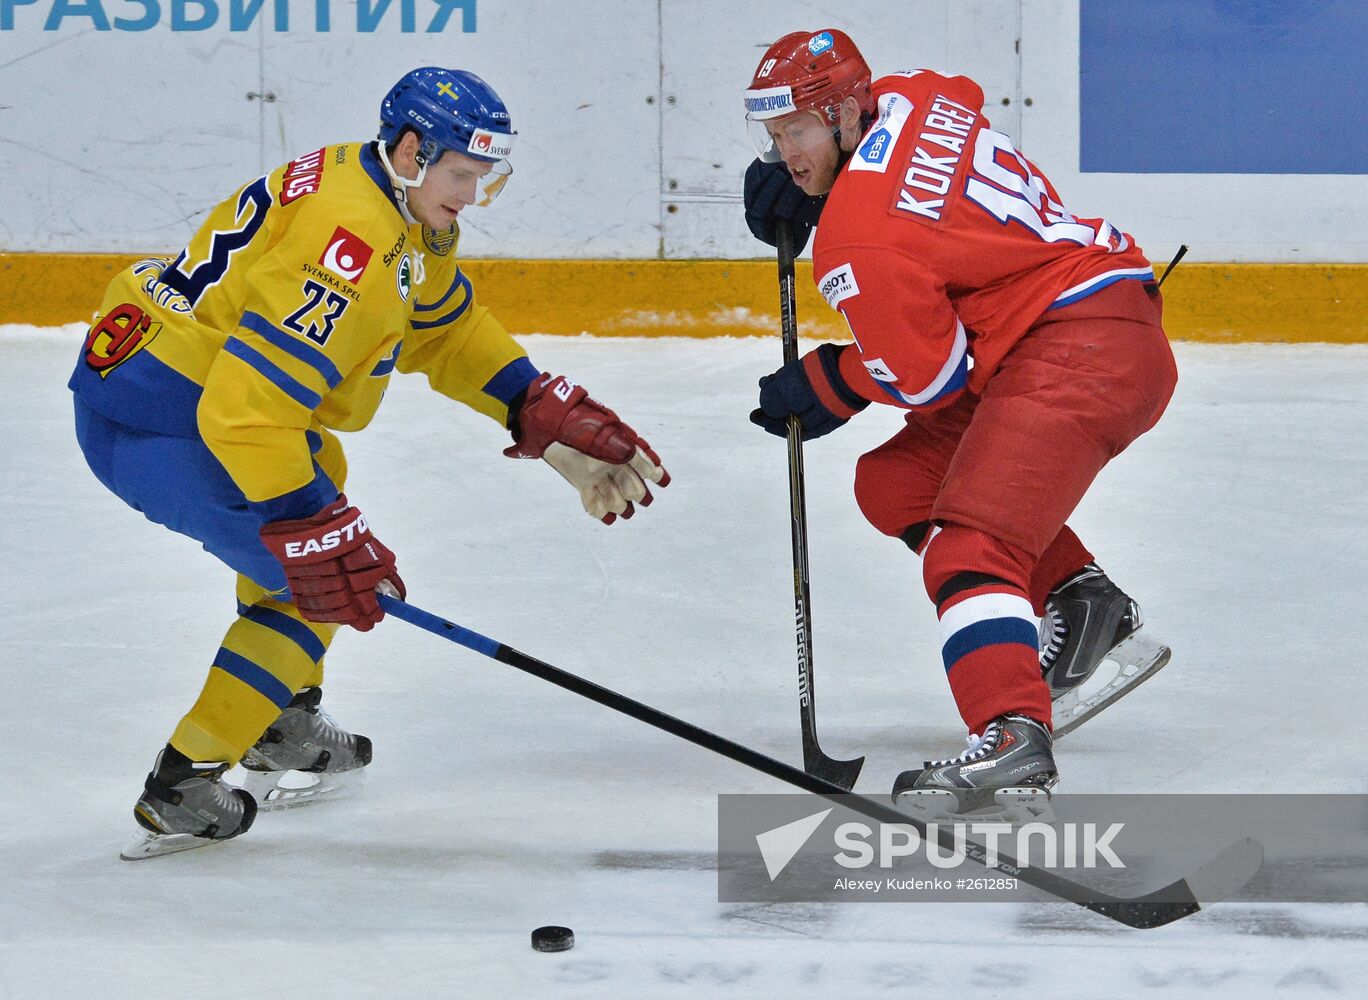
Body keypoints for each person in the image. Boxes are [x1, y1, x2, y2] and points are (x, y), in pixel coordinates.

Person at [71, 67, 670, 858]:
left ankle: (278, 713)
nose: (471, 196)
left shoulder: (392, 191)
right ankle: (184, 780)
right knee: (320, 582)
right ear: (416, 149)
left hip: (172, 387)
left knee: (321, 482)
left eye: (483, 178)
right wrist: (313, 531)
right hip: (160, 419)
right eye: (462, 175)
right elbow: (247, 415)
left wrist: (534, 408)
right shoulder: (345, 241)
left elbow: (439, 327)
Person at [741, 30, 1174, 812]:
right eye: (772, 137)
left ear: (845, 112)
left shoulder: (860, 237)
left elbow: (933, 380)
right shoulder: (913, 94)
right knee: (895, 482)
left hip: (1076, 347)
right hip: (1089, 319)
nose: (784, 154)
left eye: (796, 131)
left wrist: (830, 379)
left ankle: (1011, 733)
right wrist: (822, 181)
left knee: (972, 547)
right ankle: (1083, 602)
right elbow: (959, 93)